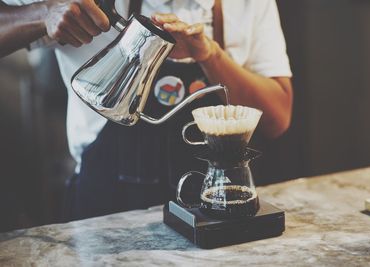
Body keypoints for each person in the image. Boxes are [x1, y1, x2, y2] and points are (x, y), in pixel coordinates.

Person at [0, 0, 293, 220]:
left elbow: (277, 117)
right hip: (106, 216)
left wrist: (210, 56)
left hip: (217, 212)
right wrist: (43, 14)